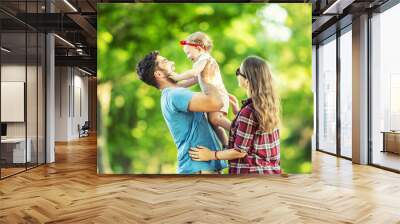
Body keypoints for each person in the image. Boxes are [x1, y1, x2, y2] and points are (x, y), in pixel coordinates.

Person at [136, 51, 227, 174]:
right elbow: (216, 103)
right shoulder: (175, 95)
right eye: (165, 61)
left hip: (201, 167)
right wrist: (208, 79)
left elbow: (194, 81)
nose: (171, 62)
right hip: (198, 169)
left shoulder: (173, 94)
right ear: (158, 73)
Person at [189, 56, 281, 175]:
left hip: (250, 175)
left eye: (239, 71)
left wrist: (211, 155)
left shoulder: (249, 112)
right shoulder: (267, 107)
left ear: (247, 81)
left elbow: (239, 151)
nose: (237, 74)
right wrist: (238, 113)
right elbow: (254, 137)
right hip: (269, 172)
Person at [169, 32, 231, 147]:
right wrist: (180, 85)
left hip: (219, 95)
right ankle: (226, 144)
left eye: (188, 52)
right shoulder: (200, 62)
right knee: (213, 123)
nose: (188, 56)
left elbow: (194, 73)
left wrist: (178, 77)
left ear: (198, 48)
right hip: (213, 97)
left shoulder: (204, 59)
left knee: (216, 119)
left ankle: (237, 130)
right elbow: (194, 79)